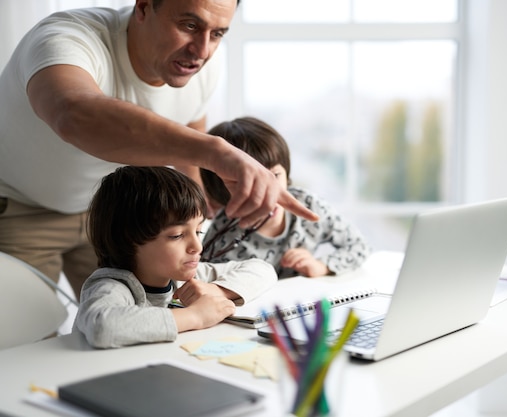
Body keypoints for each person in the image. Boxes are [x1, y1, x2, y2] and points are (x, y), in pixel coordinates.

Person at [0, 0, 317, 300]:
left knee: (140, 325)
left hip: (114, 213)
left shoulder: (199, 64)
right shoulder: (66, 39)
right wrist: (217, 152)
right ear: (143, 6)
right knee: (24, 343)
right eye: (190, 25)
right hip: (21, 209)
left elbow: (191, 133)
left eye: (218, 33)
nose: (203, 50)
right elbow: (73, 114)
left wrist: (202, 211)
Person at [74, 165, 277, 348]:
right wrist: (194, 315)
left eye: (199, 231)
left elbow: (263, 269)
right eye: (177, 235)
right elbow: (102, 327)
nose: (197, 246)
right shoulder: (112, 287)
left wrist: (217, 290)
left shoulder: (188, 277)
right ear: (129, 240)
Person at [200, 116, 372, 278]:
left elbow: (359, 247)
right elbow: (202, 279)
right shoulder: (222, 237)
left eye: (275, 175)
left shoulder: (309, 206)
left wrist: (321, 265)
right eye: (250, 183)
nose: (269, 191)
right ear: (222, 190)